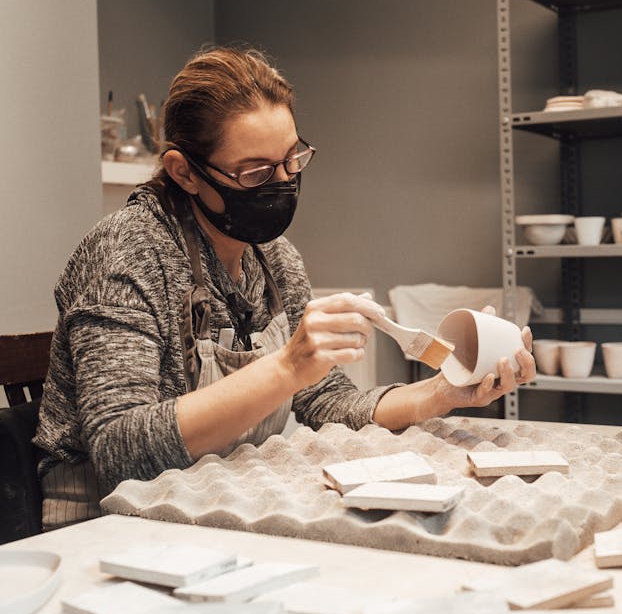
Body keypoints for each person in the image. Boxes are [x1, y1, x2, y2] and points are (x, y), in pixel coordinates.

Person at [35, 47, 536, 529]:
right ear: (183, 172)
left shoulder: (272, 259)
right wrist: (287, 365)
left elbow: (327, 404)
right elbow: (120, 449)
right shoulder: (128, 254)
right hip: (106, 519)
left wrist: (442, 392)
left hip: (213, 499)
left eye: (291, 160)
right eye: (255, 172)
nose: (282, 182)